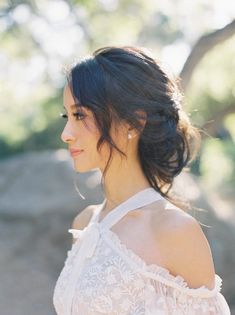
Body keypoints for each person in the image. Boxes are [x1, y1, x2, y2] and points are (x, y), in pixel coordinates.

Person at [53, 46, 231, 314]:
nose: (66, 134)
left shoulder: (175, 231)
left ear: (134, 123)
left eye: (80, 115)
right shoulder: (84, 223)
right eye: (68, 116)